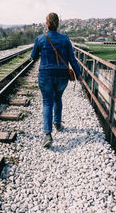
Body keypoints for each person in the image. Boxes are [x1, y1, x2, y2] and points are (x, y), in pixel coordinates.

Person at [31, 13, 82, 147]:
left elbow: (32, 57)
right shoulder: (65, 39)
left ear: (46, 24)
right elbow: (72, 59)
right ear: (58, 24)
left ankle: (48, 134)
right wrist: (79, 75)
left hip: (45, 75)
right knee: (58, 98)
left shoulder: (40, 38)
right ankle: (58, 124)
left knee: (47, 102)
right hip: (62, 76)